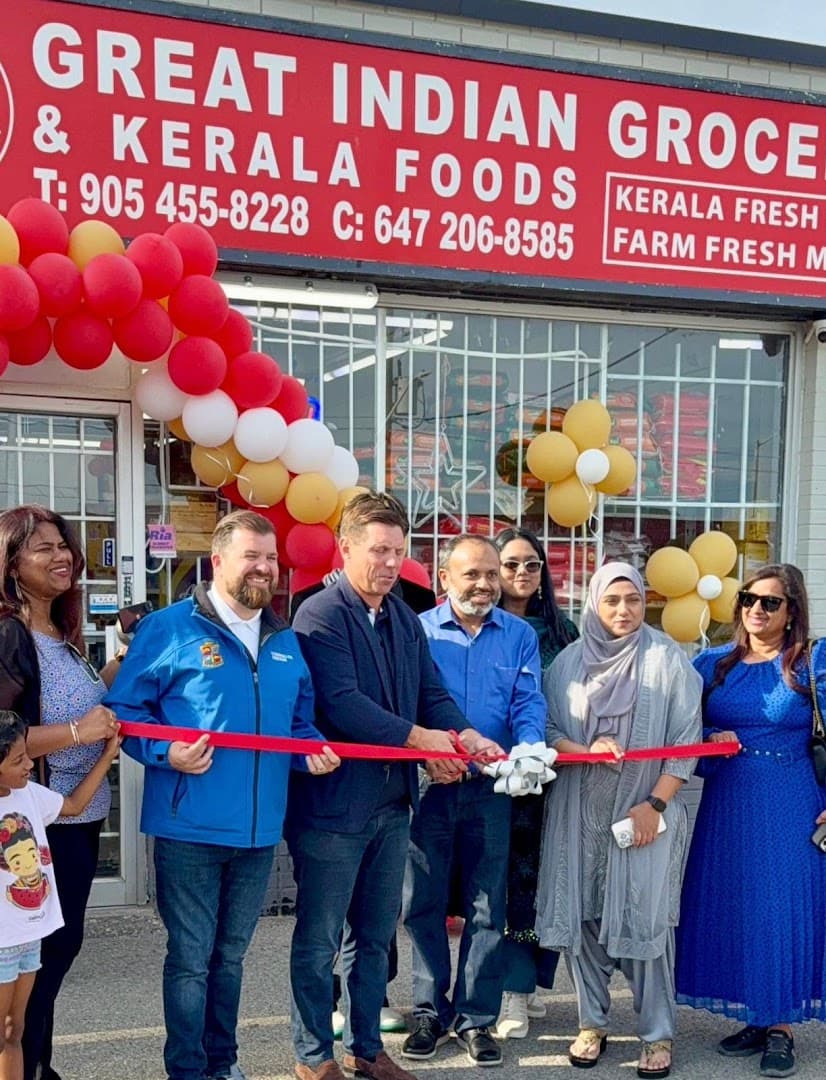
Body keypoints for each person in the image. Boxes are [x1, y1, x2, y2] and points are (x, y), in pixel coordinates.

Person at [107, 508, 340, 1080]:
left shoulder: (284, 639)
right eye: (252, 557)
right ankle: (188, 1070)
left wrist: (312, 748)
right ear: (218, 562)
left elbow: (299, 718)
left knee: (230, 957)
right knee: (190, 960)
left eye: (271, 559)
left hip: (261, 832)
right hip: (189, 828)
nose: (264, 568)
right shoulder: (170, 628)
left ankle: (223, 1062)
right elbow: (124, 714)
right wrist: (167, 754)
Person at [289, 492, 499, 1080]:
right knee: (319, 939)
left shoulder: (404, 617)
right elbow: (343, 705)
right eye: (378, 550)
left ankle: (365, 1049)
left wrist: (463, 735)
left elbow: (431, 691)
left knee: (376, 938)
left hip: (389, 805)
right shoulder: (319, 614)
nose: (389, 562)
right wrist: (422, 740)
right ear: (346, 547)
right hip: (333, 808)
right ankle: (313, 1056)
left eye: (398, 552)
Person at [535, 562, 702, 1080]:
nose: (623, 611)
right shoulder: (566, 663)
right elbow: (546, 726)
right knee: (582, 915)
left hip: (643, 811)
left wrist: (655, 805)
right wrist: (583, 749)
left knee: (646, 920)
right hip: (577, 811)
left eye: (632, 599)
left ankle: (656, 1034)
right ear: (593, 605)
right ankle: (592, 1022)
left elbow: (684, 740)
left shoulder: (667, 660)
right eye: (612, 601)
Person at [401, 534, 547, 1067]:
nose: (485, 584)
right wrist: (423, 754)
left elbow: (528, 700)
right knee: (424, 901)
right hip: (430, 783)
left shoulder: (519, 636)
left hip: (494, 787)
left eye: (492, 574)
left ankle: (476, 1019)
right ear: (444, 578)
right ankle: (427, 1012)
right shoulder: (416, 633)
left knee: (489, 905)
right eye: (472, 574)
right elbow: (406, 705)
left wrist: (529, 747)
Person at [676, 564, 826, 1079]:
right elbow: (682, 735)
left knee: (780, 910)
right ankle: (757, 1015)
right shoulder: (711, 662)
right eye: (748, 599)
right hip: (727, 800)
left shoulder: (812, 661)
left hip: (791, 799)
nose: (755, 610)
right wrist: (710, 737)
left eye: (770, 602)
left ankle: (781, 1026)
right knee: (737, 907)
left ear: (792, 612)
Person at [0, 504, 123, 1080]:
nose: (62, 556)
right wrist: (81, 731)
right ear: (10, 562)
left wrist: (108, 678)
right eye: (43, 547)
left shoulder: (61, 631)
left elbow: (68, 705)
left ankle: (35, 1062)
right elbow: (4, 734)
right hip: (39, 827)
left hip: (79, 818)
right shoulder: (9, 632)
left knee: (55, 954)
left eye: (63, 546)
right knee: (36, 963)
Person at [0, 710, 120, 1080]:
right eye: (18, 759)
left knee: (14, 1030)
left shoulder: (30, 794)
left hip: (29, 938)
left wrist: (106, 757)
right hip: (3, 941)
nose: (29, 765)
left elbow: (73, 805)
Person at [492, 528, 579, 1040]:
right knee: (498, 889)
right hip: (489, 777)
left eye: (531, 564)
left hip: (549, 780)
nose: (521, 573)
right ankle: (504, 989)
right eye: (510, 564)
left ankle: (525, 988)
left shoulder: (562, 631)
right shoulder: (478, 625)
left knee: (538, 883)